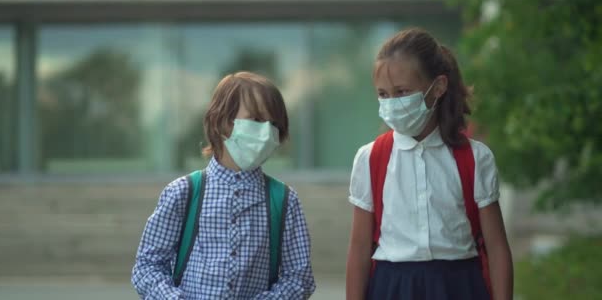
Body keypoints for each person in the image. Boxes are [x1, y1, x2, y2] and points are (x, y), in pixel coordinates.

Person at [345, 28, 513, 300]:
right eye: (383, 94)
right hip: (392, 286)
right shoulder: (370, 158)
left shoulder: (475, 158)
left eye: (402, 92)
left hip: (459, 285)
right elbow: (359, 247)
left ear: (438, 87)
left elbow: (496, 246)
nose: (391, 103)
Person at [132, 71, 316, 299]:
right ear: (222, 122)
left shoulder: (285, 201)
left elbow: (299, 277)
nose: (266, 132)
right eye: (256, 120)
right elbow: (147, 266)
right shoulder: (183, 192)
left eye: (274, 124)